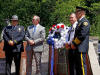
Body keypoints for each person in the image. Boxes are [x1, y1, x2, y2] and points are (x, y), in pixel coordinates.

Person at [71, 6, 90, 75]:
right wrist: (72, 43)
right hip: (77, 48)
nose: (75, 14)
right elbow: (76, 35)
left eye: (77, 12)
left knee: (82, 66)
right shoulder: (80, 22)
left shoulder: (85, 22)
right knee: (78, 67)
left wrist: (74, 44)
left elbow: (82, 35)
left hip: (81, 48)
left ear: (81, 13)